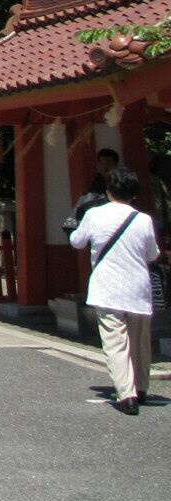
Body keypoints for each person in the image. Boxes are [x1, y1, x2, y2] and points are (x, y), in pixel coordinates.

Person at [69, 167, 164, 415]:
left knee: (116, 343)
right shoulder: (143, 220)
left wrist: (75, 223)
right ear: (134, 194)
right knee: (140, 342)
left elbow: (77, 241)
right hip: (137, 289)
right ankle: (142, 387)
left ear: (109, 190)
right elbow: (153, 254)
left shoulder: (94, 215)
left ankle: (126, 394)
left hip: (108, 288)